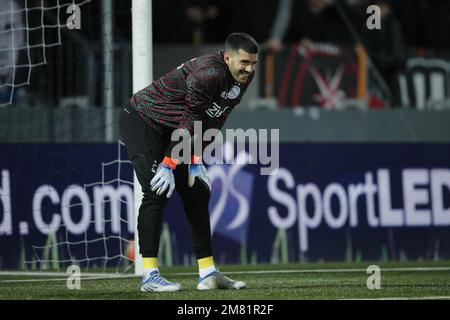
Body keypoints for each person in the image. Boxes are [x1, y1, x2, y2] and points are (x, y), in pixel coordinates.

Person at [118, 33, 259, 292]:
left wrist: (196, 158)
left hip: (175, 130)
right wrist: (169, 164)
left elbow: (215, 119)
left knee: (197, 193)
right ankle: (149, 276)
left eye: (253, 63)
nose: (249, 69)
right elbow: (191, 121)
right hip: (142, 120)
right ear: (227, 57)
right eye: (244, 63)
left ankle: (208, 274)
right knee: (156, 190)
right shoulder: (209, 75)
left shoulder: (241, 78)